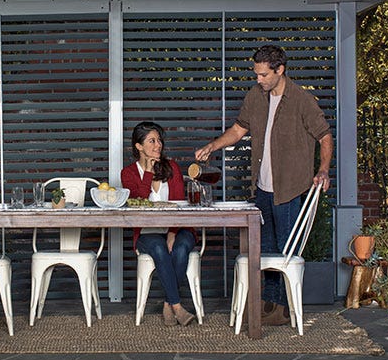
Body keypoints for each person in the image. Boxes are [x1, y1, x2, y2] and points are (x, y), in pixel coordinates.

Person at [194, 44, 333, 326]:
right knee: (266, 249)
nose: (258, 79)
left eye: (263, 75)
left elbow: (325, 136)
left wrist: (323, 170)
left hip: (290, 188)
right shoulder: (255, 97)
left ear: (279, 70)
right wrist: (213, 146)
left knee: (284, 250)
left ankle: (282, 307)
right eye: (256, 74)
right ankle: (269, 304)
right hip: (263, 189)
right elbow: (237, 130)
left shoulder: (301, 100)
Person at [120, 121, 197, 326]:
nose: (158, 145)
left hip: (178, 228)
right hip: (148, 233)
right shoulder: (128, 173)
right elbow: (138, 201)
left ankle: (168, 304)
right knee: (159, 247)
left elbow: (180, 203)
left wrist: (172, 232)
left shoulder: (171, 167)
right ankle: (178, 307)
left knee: (180, 248)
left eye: (159, 140)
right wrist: (148, 171)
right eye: (152, 141)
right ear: (139, 146)